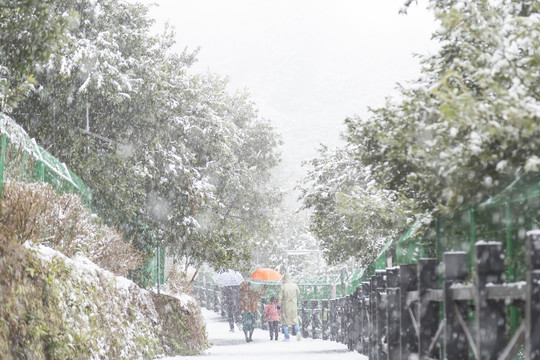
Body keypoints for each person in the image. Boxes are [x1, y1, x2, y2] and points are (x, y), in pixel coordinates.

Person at [277, 273, 301, 341]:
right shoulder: (295, 285)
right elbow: (298, 293)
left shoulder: (283, 286)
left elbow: (280, 297)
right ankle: (298, 331)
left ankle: (287, 336)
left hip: (286, 304)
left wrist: (278, 305)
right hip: (293, 304)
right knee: (294, 319)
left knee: (285, 321)